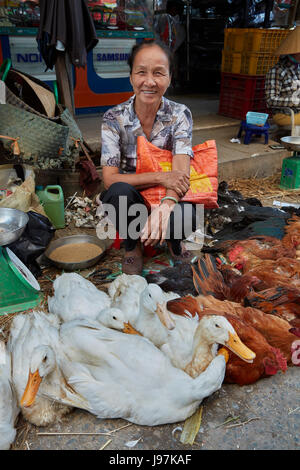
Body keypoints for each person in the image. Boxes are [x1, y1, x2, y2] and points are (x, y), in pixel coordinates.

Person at [99, 39, 197, 275]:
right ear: (131, 76)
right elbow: (110, 179)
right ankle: (132, 247)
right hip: (132, 196)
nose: (149, 82)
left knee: (189, 212)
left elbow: (180, 172)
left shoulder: (180, 114)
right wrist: (161, 177)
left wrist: (166, 205)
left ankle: (174, 243)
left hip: (167, 195)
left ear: (170, 77)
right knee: (117, 193)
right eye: (141, 72)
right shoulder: (114, 118)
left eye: (158, 73)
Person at [265, 26, 300, 127]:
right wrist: (296, 102)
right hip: (285, 114)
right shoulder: (277, 71)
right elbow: (270, 100)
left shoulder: (298, 68)